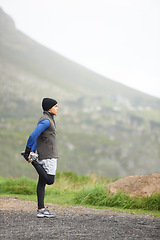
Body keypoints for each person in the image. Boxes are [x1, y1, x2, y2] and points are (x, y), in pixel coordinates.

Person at [22, 98, 58, 218]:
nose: (57, 108)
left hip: (46, 154)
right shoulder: (46, 121)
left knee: (42, 183)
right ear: (49, 108)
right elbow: (33, 135)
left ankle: (41, 209)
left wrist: (32, 150)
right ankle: (33, 161)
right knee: (49, 180)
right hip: (48, 155)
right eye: (55, 106)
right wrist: (28, 151)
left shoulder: (48, 119)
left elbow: (38, 137)